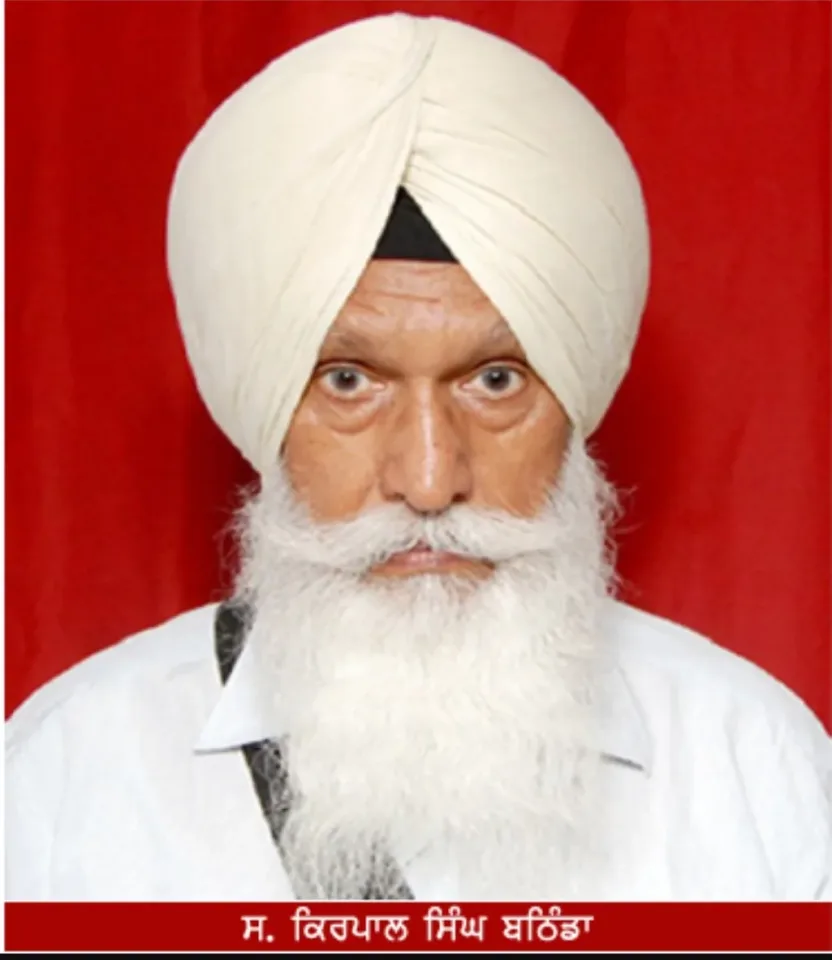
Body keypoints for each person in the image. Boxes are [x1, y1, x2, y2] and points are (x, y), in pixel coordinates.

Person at [6, 13, 830, 902]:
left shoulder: (755, 767)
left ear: (573, 401)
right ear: (265, 402)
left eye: (497, 381)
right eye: (349, 382)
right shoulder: (71, 772)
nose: (431, 481)